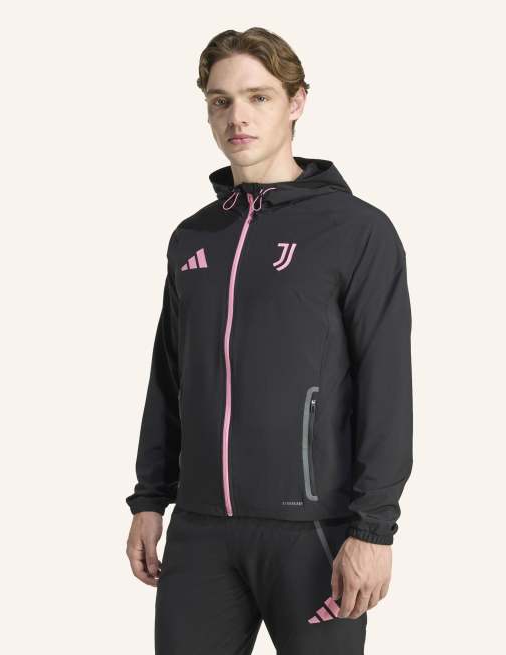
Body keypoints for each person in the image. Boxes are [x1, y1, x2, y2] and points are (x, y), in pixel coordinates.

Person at [125, 26, 413, 655]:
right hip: (200, 533)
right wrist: (150, 498)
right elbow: (169, 376)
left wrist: (374, 529)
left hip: (315, 534)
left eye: (258, 97)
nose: (238, 117)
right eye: (221, 101)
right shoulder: (194, 237)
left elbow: (386, 388)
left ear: (296, 102)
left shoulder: (356, 230)